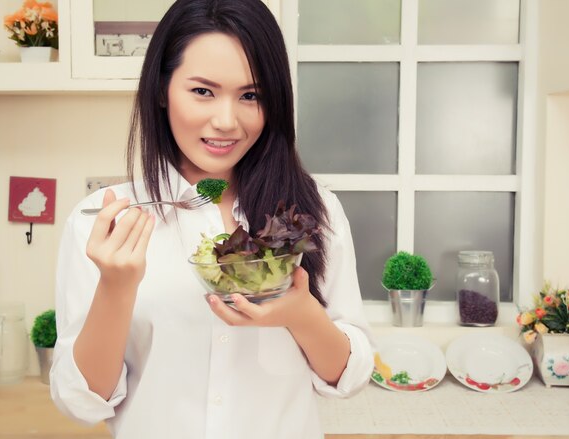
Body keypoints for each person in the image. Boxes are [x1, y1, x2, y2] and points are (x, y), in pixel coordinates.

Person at [50, 0, 374, 437]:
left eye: (250, 95)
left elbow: (348, 378)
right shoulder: (103, 223)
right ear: (162, 91)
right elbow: (82, 402)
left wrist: (302, 313)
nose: (226, 121)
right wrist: (115, 286)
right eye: (203, 91)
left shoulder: (316, 212)